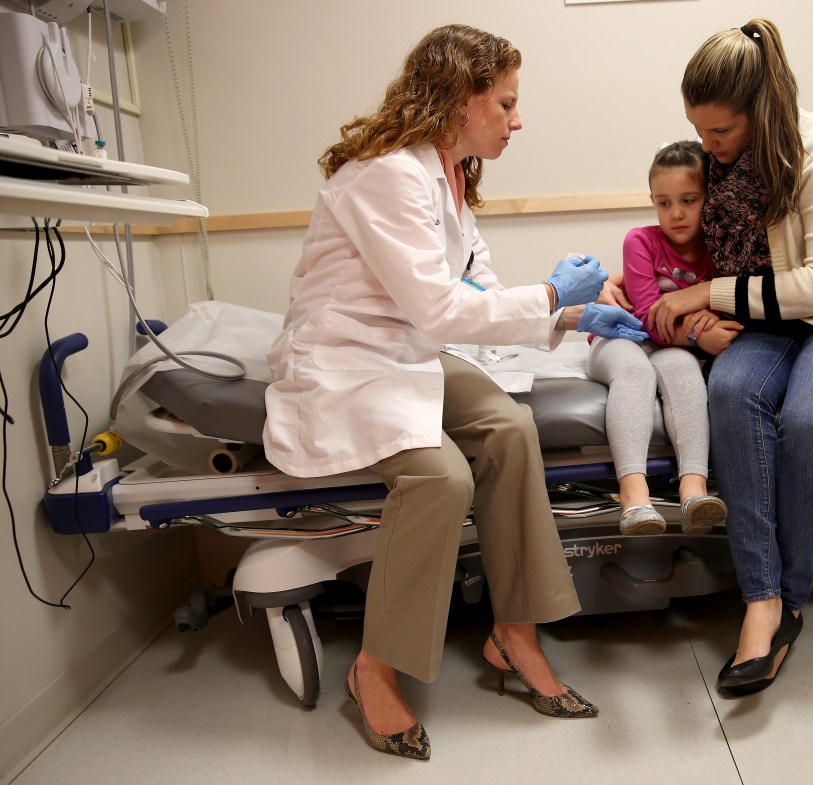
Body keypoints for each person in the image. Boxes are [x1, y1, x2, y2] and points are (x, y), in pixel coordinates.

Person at [262, 24, 647, 760]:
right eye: (504, 103)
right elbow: (440, 308)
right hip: (347, 363)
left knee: (508, 427)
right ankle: (375, 666)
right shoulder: (386, 174)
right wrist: (546, 293)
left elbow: (480, 295)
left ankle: (516, 633)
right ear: (458, 100)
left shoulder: (451, 175)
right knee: (441, 476)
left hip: (409, 353)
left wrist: (566, 313)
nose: (517, 118)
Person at [649, 18, 813, 696]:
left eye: (720, 133)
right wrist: (647, 283)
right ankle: (759, 595)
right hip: (763, 321)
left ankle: (790, 599)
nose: (707, 148)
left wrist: (709, 291)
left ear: (760, 109)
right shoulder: (717, 156)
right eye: (698, 130)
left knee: (810, 418)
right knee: (731, 393)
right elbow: (684, 236)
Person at [587, 141, 741, 536]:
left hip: (673, 347)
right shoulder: (640, 241)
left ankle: (695, 489)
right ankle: (634, 496)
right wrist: (697, 330)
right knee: (636, 372)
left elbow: (726, 305)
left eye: (689, 200)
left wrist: (704, 322)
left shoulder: (719, 247)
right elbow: (646, 317)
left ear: (711, 197)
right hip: (621, 335)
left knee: (684, 370)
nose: (676, 213)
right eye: (664, 202)